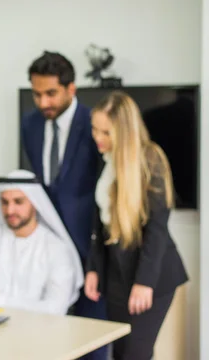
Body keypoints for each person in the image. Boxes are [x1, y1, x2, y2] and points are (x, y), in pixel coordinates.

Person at [85, 91, 189, 360]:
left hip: (150, 276)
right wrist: (94, 269)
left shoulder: (151, 161)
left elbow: (157, 229)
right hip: (116, 275)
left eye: (106, 132)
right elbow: (100, 221)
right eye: (95, 129)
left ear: (124, 132)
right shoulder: (105, 158)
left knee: (135, 354)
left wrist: (144, 283)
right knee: (120, 352)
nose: (98, 138)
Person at [20, 51, 107, 358]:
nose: (43, 103)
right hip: (48, 249)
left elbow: (106, 191)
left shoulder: (94, 124)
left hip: (90, 251)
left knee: (91, 342)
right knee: (48, 341)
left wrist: (96, 257)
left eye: (51, 94)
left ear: (72, 89)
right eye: (36, 94)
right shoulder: (29, 124)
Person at [0, 170, 83, 315]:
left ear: (35, 203)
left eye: (18, 202)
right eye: (5, 202)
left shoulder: (56, 248)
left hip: (38, 332)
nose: (10, 210)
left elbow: (55, 308)